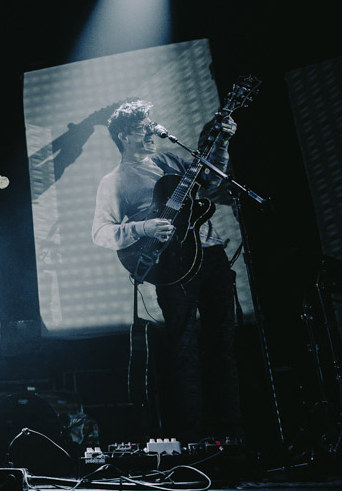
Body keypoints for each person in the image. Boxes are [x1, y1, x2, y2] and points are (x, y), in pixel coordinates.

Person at [91, 100, 243, 444]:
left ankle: (233, 437)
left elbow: (210, 182)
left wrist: (222, 142)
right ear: (123, 135)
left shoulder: (169, 160)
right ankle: (192, 440)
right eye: (144, 127)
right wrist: (144, 228)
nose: (152, 131)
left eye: (151, 124)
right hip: (173, 267)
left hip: (211, 253)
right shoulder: (114, 180)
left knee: (225, 347)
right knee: (184, 351)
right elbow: (100, 232)